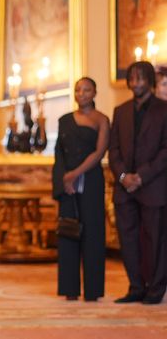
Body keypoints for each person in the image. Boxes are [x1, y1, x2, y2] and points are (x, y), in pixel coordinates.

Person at [108, 60, 167, 304]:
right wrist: (123, 177)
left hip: (152, 186)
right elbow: (114, 150)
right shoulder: (120, 111)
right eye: (132, 78)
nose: (136, 83)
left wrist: (141, 176)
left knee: (156, 241)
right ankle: (135, 287)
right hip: (124, 189)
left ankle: (155, 289)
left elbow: (165, 150)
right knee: (128, 240)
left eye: (141, 78)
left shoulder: (164, 109)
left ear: (150, 81)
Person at [52, 77, 109, 301]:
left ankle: (93, 291)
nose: (82, 93)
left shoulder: (102, 119)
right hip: (67, 185)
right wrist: (64, 180)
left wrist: (75, 174)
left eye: (86, 90)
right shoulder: (64, 120)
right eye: (78, 90)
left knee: (93, 234)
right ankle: (69, 289)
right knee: (67, 232)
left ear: (94, 93)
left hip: (91, 181)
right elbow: (59, 154)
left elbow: (99, 152)